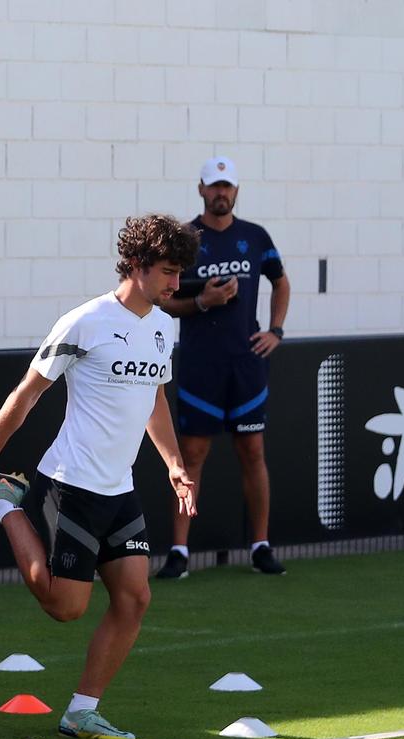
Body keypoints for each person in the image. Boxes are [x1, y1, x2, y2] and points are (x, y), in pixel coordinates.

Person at [0, 214, 200, 739]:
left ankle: (80, 712)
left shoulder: (162, 327)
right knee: (65, 607)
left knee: (134, 598)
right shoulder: (84, 323)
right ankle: (6, 500)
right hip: (69, 485)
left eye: (180, 273)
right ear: (136, 265)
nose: (175, 284)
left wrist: (174, 463)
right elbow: (27, 393)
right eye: (167, 271)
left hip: (120, 489)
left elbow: (155, 399)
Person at [158, 156, 291, 578]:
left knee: (252, 451)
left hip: (246, 364)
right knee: (192, 455)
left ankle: (260, 546)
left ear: (236, 190)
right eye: (214, 186)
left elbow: (281, 281)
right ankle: (179, 552)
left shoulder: (254, 237)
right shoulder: (184, 238)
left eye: (227, 186)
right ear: (201, 189)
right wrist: (201, 302)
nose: (221, 193)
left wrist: (276, 331)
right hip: (201, 366)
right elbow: (163, 299)